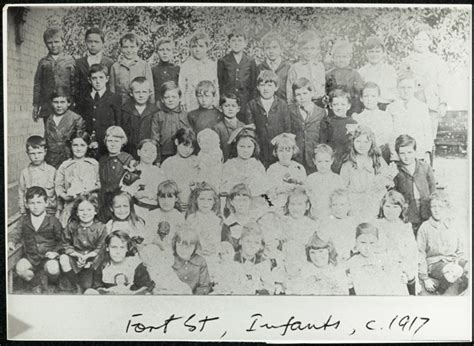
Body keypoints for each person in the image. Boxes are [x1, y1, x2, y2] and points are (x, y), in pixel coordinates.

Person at [8, 186, 63, 294]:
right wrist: (11, 242)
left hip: (48, 257)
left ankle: (53, 283)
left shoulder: (53, 221)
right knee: (20, 268)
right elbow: (16, 233)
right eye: (32, 203)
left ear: (46, 203)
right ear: (27, 205)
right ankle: (36, 283)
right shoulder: (24, 220)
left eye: (39, 202)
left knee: (53, 269)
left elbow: (62, 240)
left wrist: (55, 252)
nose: (35, 206)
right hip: (31, 257)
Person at [400, 26, 449, 140]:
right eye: (417, 39)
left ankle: (429, 157)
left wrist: (443, 103)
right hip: (412, 103)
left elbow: (442, 83)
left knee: (429, 137)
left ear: (430, 41)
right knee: (412, 137)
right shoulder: (407, 61)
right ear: (413, 40)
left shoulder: (437, 60)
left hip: (431, 105)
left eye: (424, 39)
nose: (421, 43)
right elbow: (401, 84)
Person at [339, 126, 397, 219]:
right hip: (355, 206)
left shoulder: (378, 160)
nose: (362, 145)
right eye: (358, 141)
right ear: (352, 142)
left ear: (372, 143)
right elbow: (342, 187)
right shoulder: (348, 164)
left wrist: (386, 180)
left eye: (366, 142)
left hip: (374, 204)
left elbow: (387, 182)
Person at [417, 191, 468, 295]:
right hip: (435, 264)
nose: (436, 209)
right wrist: (424, 278)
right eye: (433, 206)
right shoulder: (425, 227)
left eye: (440, 206)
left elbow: (461, 250)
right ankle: (440, 291)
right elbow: (420, 253)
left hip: (453, 261)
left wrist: (459, 261)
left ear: (446, 207)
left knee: (468, 267)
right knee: (455, 270)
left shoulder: (454, 225)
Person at [59, 194, 107, 293]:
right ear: (76, 212)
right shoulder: (72, 226)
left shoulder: (101, 227)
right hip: (76, 257)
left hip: (92, 259)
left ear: (95, 211)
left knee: (87, 285)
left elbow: (100, 248)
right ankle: (75, 284)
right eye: (81, 210)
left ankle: (89, 283)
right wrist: (77, 255)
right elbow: (66, 244)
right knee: (63, 259)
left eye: (89, 210)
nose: (85, 213)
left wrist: (87, 258)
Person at [345, 223, 409, 295]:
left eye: (372, 243)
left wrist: (402, 278)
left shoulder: (383, 259)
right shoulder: (350, 263)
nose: (367, 247)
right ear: (356, 242)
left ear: (377, 242)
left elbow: (392, 280)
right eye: (363, 242)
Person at [374, 190, 418, 295]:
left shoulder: (405, 227)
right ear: (382, 207)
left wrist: (404, 268)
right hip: (382, 263)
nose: (391, 211)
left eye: (395, 207)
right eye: (388, 206)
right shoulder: (376, 225)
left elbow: (411, 251)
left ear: (402, 209)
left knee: (406, 276)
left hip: (401, 263)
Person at [245, 70, 290, 167]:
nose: (265, 89)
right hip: (260, 150)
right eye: (262, 85)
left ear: (276, 87)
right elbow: (250, 129)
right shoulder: (252, 105)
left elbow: (287, 130)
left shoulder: (282, 105)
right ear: (257, 87)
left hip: (278, 151)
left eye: (269, 85)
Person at [386, 72, 433, 164]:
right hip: (398, 154)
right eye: (402, 88)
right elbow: (388, 133)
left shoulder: (422, 107)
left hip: (418, 154)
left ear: (415, 88)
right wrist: (394, 153)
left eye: (409, 87)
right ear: (397, 89)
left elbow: (427, 133)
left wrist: (427, 153)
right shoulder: (391, 108)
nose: (406, 91)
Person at [87, 230, 154, 295]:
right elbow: (97, 288)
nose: (118, 252)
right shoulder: (103, 266)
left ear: (127, 248)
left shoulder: (135, 265)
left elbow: (146, 287)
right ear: (107, 248)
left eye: (122, 247)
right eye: (114, 247)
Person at [55, 132, 100, 227]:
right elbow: (59, 185)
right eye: (75, 145)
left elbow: (100, 184)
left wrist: (87, 191)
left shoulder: (94, 164)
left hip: (89, 207)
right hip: (70, 206)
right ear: (70, 146)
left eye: (82, 145)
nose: (78, 149)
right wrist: (64, 196)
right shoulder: (65, 166)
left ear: (88, 146)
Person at [393, 135, 436, 234]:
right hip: (408, 210)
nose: (406, 156)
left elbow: (432, 187)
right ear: (397, 154)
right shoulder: (396, 170)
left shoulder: (425, 167)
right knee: (411, 233)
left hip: (425, 206)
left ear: (415, 151)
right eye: (402, 153)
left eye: (409, 152)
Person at [78, 63, 122, 159]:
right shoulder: (83, 98)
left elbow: (118, 123)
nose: (98, 81)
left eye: (101, 78)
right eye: (94, 78)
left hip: (106, 146)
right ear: (89, 80)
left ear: (107, 79)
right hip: (88, 145)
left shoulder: (115, 98)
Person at [33, 27, 76, 123]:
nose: (53, 45)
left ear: (62, 42)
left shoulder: (70, 60)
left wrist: (73, 101)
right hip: (48, 105)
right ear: (45, 44)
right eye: (50, 42)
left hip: (66, 105)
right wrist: (36, 105)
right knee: (50, 132)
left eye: (56, 42)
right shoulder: (43, 62)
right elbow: (37, 85)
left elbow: (74, 82)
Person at [218, 28, 257, 122]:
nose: (236, 43)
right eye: (233, 40)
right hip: (228, 105)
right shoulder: (223, 61)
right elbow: (220, 83)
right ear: (229, 43)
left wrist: (252, 104)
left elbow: (253, 85)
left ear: (245, 43)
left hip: (245, 104)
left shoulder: (250, 61)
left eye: (240, 40)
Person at [288, 77, 326, 173]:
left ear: (312, 93)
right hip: (297, 156)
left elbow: (323, 136)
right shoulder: (290, 111)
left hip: (314, 156)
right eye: (298, 95)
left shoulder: (321, 112)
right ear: (294, 96)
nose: (302, 97)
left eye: (305, 93)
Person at [122, 139, 166, 219]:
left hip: (155, 211)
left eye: (153, 152)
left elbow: (165, 193)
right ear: (139, 152)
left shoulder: (160, 172)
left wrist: (150, 195)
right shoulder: (132, 171)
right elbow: (124, 193)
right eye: (146, 151)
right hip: (136, 210)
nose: (149, 154)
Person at [75, 27, 114, 116]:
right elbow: (76, 85)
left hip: (103, 105)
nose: (93, 45)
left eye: (96, 42)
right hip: (83, 105)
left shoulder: (109, 63)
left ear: (103, 43)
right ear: (85, 42)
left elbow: (111, 85)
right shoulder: (79, 62)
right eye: (90, 42)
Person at [98, 126, 134, 221]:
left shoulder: (127, 159)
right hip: (105, 201)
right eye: (110, 141)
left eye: (116, 141)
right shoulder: (102, 160)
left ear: (122, 143)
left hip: (121, 201)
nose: (113, 144)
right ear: (106, 142)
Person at [220, 127, 267, 198]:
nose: (245, 150)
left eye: (249, 146)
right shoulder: (230, 164)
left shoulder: (257, 164)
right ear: (236, 147)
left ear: (254, 147)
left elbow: (262, 185)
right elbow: (224, 185)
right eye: (242, 146)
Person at [280, 188, 317, 277]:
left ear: (307, 206)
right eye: (292, 204)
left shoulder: (311, 224)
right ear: (287, 205)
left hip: (305, 262)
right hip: (285, 262)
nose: (296, 208)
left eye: (300, 204)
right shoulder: (282, 221)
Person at [353, 82, 394, 163]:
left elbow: (389, 136)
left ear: (378, 98)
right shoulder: (358, 118)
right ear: (361, 98)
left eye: (373, 96)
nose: (369, 99)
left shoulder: (385, 115)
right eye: (366, 96)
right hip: (365, 154)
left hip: (383, 154)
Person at [265, 133, 307, 213]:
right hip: (278, 206)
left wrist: (295, 188)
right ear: (276, 152)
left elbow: (305, 188)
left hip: (295, 206)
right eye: (281, 150)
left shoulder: (299, 168)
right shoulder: (272, 169)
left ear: (293, 151)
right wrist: (279, 190)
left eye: (288, 150)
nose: (284, 154)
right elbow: (268, 192)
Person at [44, 90, 86, 169]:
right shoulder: (49, 118)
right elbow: (46, 139)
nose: (59, 105)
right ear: (51, 103)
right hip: (51, 159)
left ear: (69, 103)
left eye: (62, 102)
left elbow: (79, 142)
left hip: (68, 159)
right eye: (56, 102)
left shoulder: (76, 118)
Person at [121, 77, 160, 160]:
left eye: (144, 92)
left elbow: (156, 136)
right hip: (129, 152)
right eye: (137, 92)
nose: (141, 95)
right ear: (131, 93)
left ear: (149, 92)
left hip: (149, 153)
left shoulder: (155, 111)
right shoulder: (125, 110)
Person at [320, 88, 358, 172]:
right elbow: (323, 144)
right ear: (330, 105)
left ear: (348, 106)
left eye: (343, 104)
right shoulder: (327, 122)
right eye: (336, 104)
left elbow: (354, 145)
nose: (339, 107)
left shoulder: (352, 123)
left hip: (347, 161)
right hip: (331, 161)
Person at [179, 31, 219, 111]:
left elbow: (216, 85)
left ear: (207, 47)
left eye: (201, 46)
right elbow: (182, 86)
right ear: (190, 48)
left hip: (209, 102)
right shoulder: (185, 65)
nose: (197, 49)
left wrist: (216, 101)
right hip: (191, 102)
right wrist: (182, 101)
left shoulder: (212, 65)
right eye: (194, 46)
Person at [109, 33, 154, 105]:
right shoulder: (115, 67)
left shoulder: (144, 65)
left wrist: (151, 108)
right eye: (125, 47)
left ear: (137, 47)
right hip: (121, 106)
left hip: (139, 107)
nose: (129, 50)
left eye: (132, 47)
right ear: (121, 48)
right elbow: (112, 91)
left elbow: (150, 90)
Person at [142, 180, 185, 255]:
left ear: (176, 199)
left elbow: (183, 237)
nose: (166, 201)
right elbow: (147, 236)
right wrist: (157, 243)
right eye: (162, 197)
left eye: (170, 197)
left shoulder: (178, 216)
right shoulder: (152, 214)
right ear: (158, 198)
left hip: (172, 250)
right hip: (154, 248)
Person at [161, 128, 200, 210]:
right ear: (176, 142)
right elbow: (164, 188)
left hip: (194, 206)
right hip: (173, 206)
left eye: (191, 147)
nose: (188, 150)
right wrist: (174, 203)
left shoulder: (196, 161)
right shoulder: (168, 163)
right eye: (185, 145)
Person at [233, 222, 277, 295]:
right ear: (240, 241)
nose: (252, 246)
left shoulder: (263, 262)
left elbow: (270, 287)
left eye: (256, 242)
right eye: (248, 241)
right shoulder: (231, 260)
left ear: (260, 245)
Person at [18, 136, 57, 216]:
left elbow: (58, 192)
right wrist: (22, 210)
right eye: (32, 153)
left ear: (45, 152)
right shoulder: (25, 173)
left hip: (49, 211)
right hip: (31, 212)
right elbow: (21, 192)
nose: (36, 157)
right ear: (27, 153)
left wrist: (59, 210)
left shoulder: (52, 171)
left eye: (39, 153)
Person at [316, 189, 358, 261]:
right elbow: (322, 242)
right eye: (335, 205)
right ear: (330, 206)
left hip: (350, 256)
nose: (338, 208)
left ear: (349, 206)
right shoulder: (327, 222)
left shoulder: (353, 222)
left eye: (342, 204)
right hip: (331, 257)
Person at [358, 36, 397, 110]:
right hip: (368, 107)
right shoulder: (362, 72)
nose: (374, 54)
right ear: (366, 53)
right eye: (371, 51)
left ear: (383, 53)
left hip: (386, 106)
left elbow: (394, 93)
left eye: (377, 51)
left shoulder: (390, 70)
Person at [286, 30, 325, 105]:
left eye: (312, 48)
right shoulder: (295, 68)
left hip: (319, 104)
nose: (309, 52)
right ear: (299, 50)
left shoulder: (320, 66)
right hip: (301, 103)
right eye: (305, 49)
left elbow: (323, 87)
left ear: (317, 50)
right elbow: (290, 92)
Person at [326, 40, 364, 116]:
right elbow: (326, 93)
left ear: (350, 57)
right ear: (333, 57)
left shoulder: (355, 74)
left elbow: (359, 95)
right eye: (338, 57)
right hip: (333, 111)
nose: (341, 60)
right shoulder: (329, 74)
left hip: (350, 110)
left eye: (344, 57)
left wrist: (356, 111)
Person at [305, 144, 344, 220]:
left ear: (332, 160)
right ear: (314, 161)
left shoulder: (337, 179)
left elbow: (342, 198)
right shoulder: (310, 179)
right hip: (315, 216)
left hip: (332, 216)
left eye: (326, 161)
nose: (323, 165)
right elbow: (307, 198)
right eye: (319, 161)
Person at [185, 182, 222, 258]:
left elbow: (219, 240)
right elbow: (187, 239)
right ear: (196, 200)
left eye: (209, 199)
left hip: (212, 254)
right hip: (196, 254)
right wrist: (197, 250)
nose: (205, 203)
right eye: (202, 199)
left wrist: (215, 249)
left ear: (214, 201)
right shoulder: (191, 219)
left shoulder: (217, 219)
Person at [156, 81, 190, 162]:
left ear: (180, 98)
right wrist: (157, 160)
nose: (170, 100)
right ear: (162, 99)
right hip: (164, 155)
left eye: (174, 97)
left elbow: (189, 138)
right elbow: (155, 139)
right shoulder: (158, 116)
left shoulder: (186, 115)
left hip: (183, 155)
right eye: (167, 97)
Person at [171, 227, 212, 295]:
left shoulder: (201, 261)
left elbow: (204, 286)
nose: (184, 249)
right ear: (175, 244)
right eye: (180, 245)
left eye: (189, 246)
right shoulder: (169, 260)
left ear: (195, 247)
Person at [257, 31, 290, 101]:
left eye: (274, 47)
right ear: (263, 50)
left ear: (281, 49)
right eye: (267, 48)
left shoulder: (288, 67)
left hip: (284, 106)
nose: (271, 51)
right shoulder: (259, 68)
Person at [221, 183, 255, 252]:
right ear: (231, 202)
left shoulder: (254, 223)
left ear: (250, 201)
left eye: (244, 200)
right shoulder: (227, 224)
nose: (241, 204)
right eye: (237, 200)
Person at [212, 93, 245, 161]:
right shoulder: (217, 128)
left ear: (238, 109)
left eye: (233, 106)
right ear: (220, 108)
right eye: (226, 106)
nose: (230, 109)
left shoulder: (243, 126)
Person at [151, 37, 180, 102]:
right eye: (161, 50)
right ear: (156, 52)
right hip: (158, 105)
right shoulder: (153, 70)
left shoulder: (178, 69)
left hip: (173, 103)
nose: (165, 53)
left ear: (173, 51)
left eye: (168, 50)